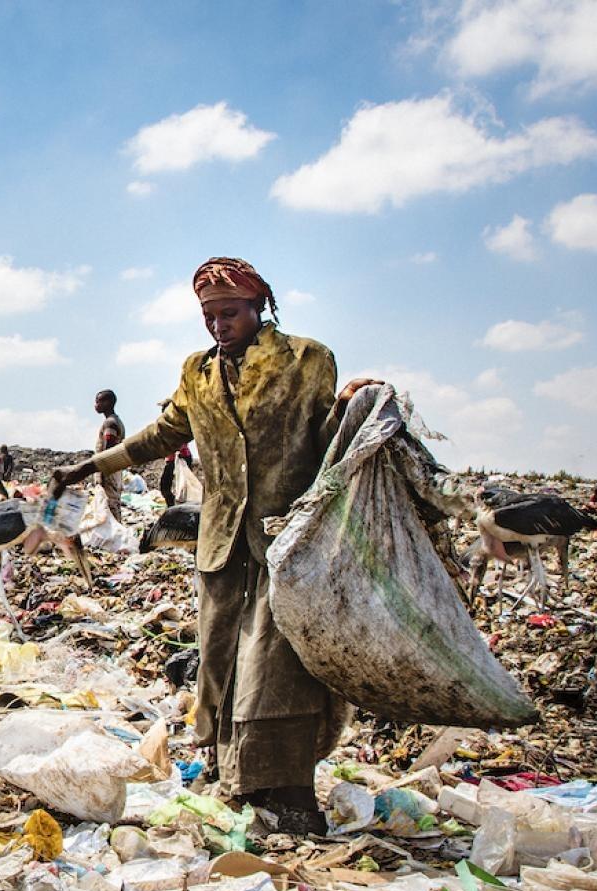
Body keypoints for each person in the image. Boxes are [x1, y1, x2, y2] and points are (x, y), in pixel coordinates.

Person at [52, 257, 379, 834]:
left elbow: (328, 438)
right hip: (221, 540)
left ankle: (287, 794)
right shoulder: (197, 374)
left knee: (278, 668)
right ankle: (229, 774)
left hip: (286, 541)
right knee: (221, 660)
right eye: (209, 315)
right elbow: (161, 435)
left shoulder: (307, 360)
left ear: (259, 307)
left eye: (229, 312)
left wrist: (355, 405)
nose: (218, 324)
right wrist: (90, 465)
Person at [95, 390, 126, 522]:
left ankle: (115, 536)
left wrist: (103, 472)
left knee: (109, 504)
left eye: (99, 401)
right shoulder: (115, 420)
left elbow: (108, 449)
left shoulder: (110, 423)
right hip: (115, 469)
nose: (96, 405)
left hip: (109, 470)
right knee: (112, 503)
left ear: (108, 403)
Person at [160, 441, 196, 506]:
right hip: (171, 460)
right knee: (164, 486)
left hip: (182, 458)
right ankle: (171, 505)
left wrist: (178, 451)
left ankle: (185, 505)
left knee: (184, 485)